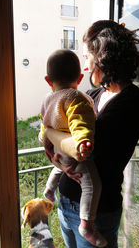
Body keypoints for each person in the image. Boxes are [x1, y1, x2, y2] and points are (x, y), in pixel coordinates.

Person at [43, 20, 139, 248]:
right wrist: (58, 159)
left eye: (88, 58)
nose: (86, 67)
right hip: (66, 203)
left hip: (97, 214)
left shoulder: (131, 102)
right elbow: (63, 140)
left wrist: (49, 132)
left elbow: (85, 152)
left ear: (103, 57)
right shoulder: (92, 94)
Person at [39, 49, 107, 247]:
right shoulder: (76, 97)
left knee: (59, 165)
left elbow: (44, 124)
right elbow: (80, 123)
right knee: (92, 183)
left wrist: (47, 144)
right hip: (74, 152)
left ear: (48, 80)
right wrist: (83, 141)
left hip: (58, 151)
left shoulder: (47, 100)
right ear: (79, 77)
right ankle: (86, 223)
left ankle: (50, 189)